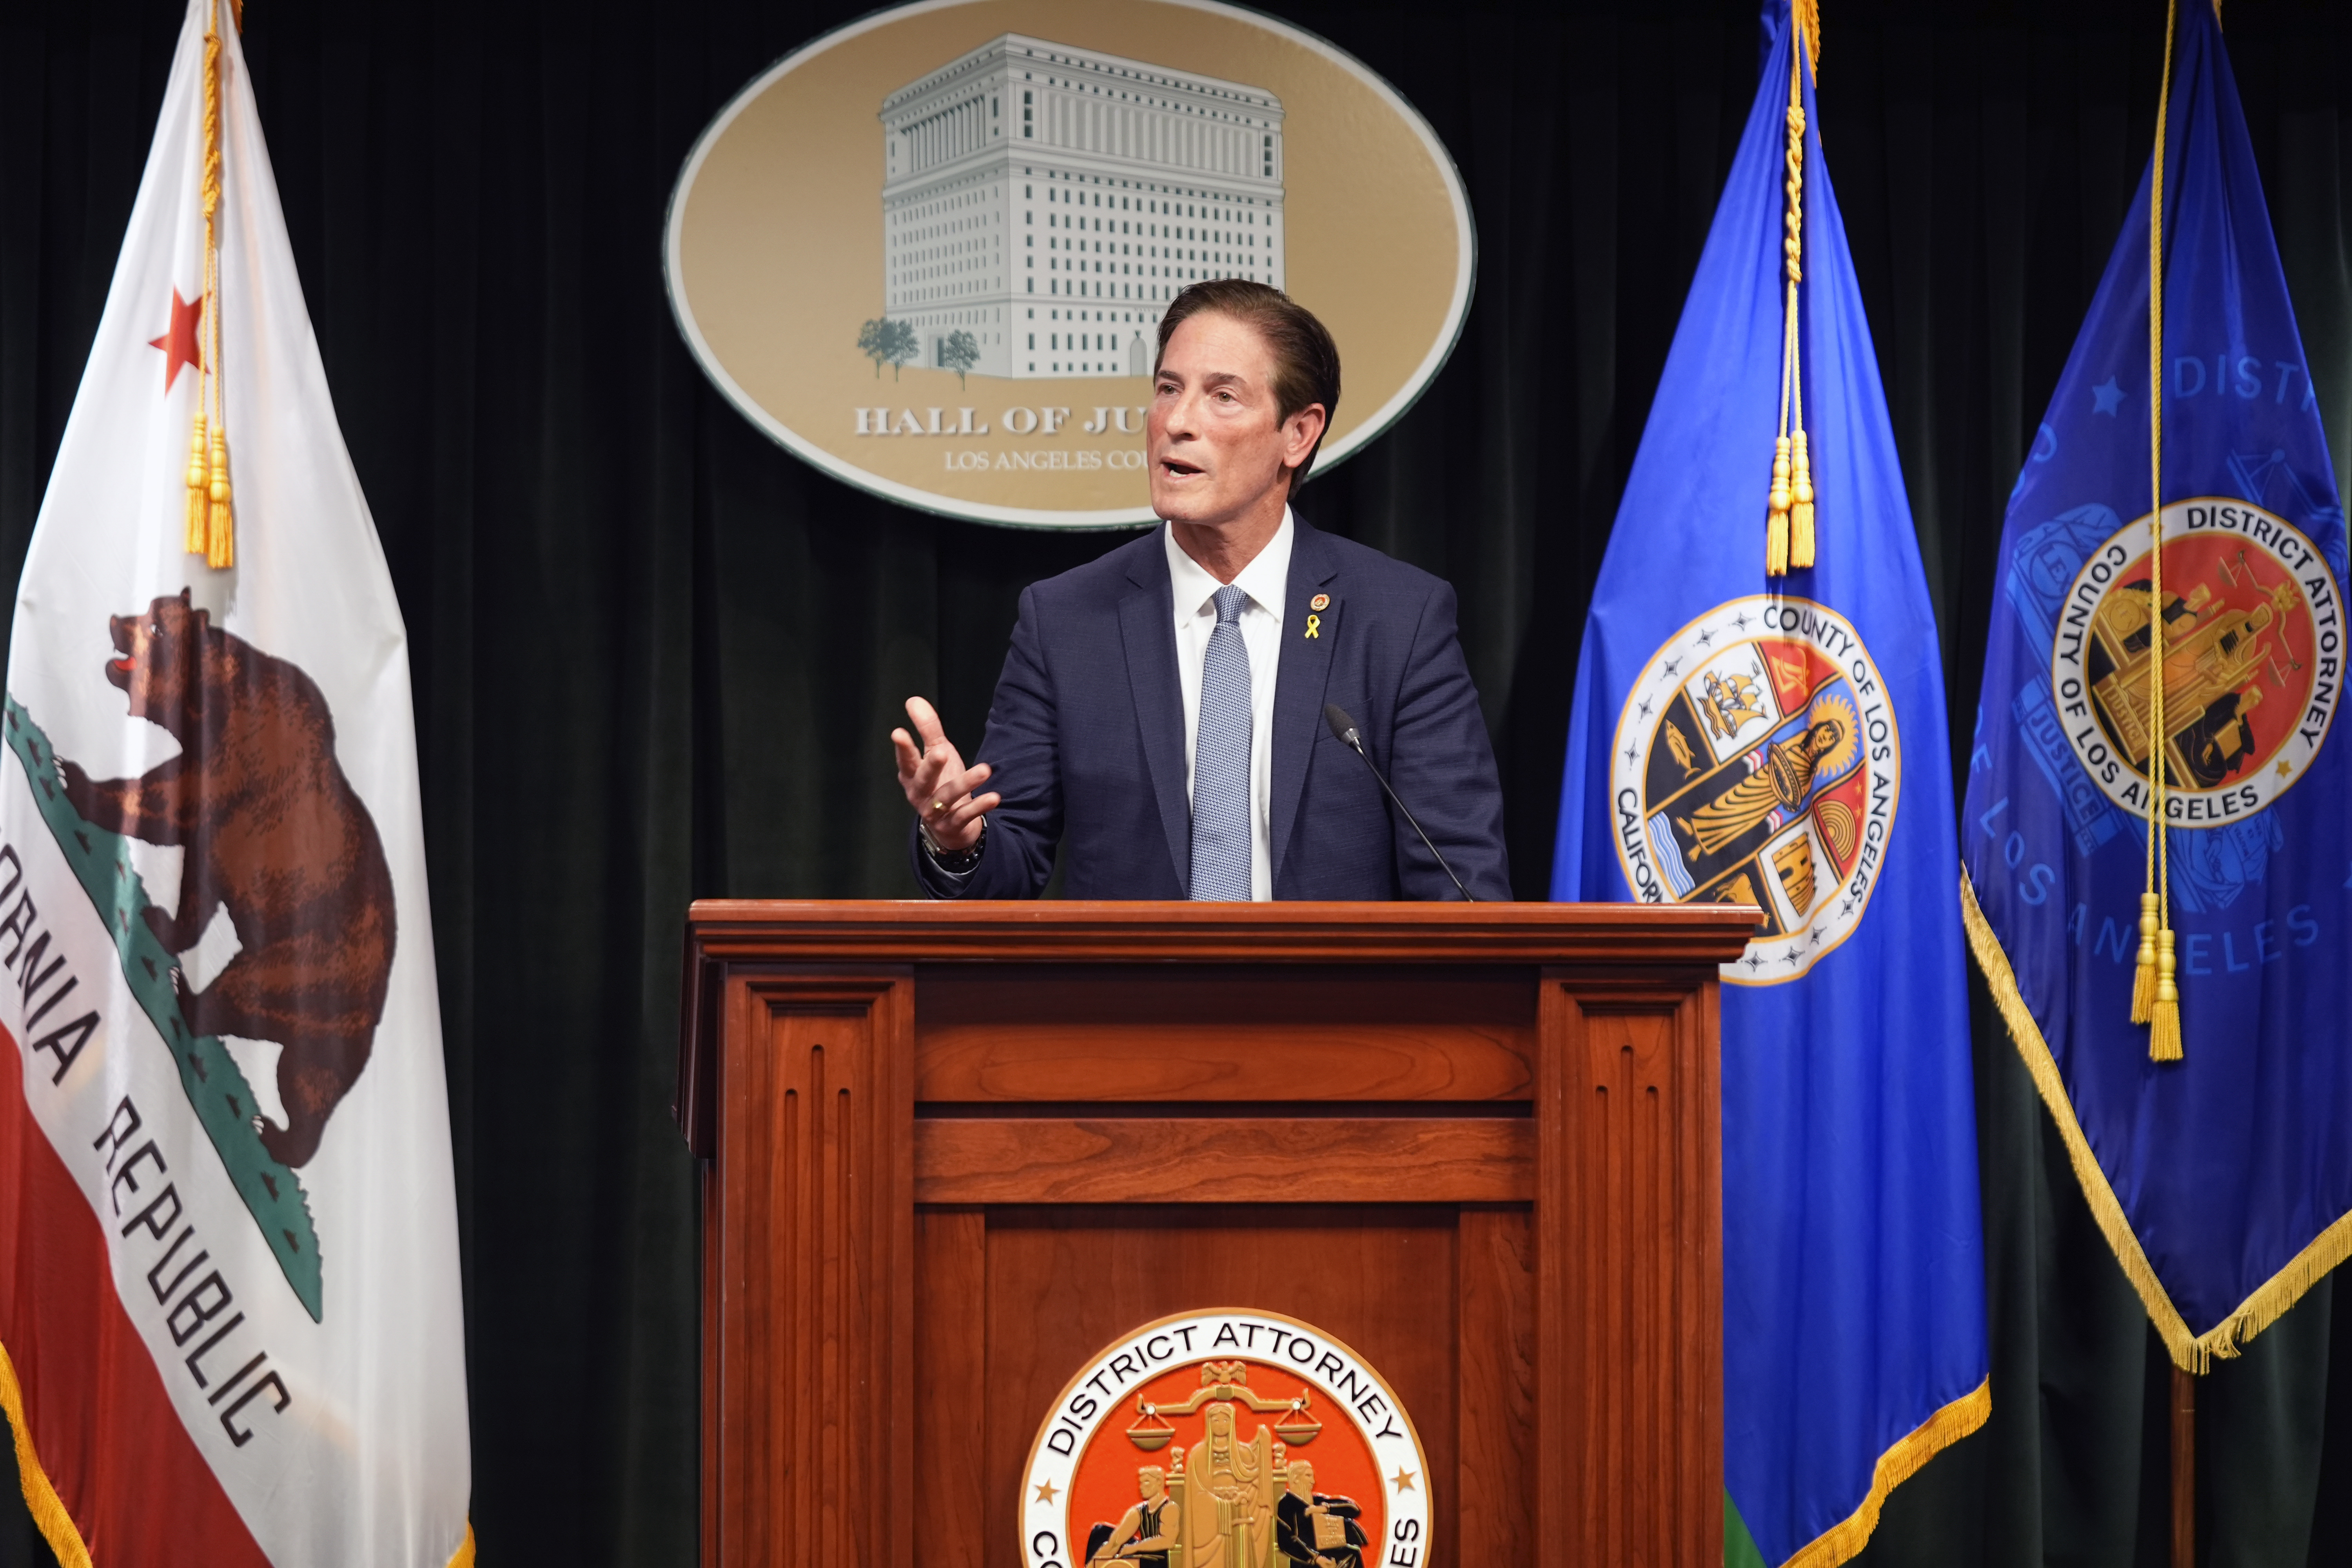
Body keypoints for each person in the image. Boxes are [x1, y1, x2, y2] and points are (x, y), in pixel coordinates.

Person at [890, 277, 1509, 900]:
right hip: (1137, 996)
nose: (1177, 422)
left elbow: (1461, 883)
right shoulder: (1066, 621)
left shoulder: (1398, 620)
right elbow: (1010, 866)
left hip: (1335, 997)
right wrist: (958, 841)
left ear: (1298, 434)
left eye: (1223, 396)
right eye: (1168, 389)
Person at [1273, 1460, 1365, 1568]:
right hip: (1305, 1559)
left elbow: (1354, 1509)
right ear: (1295, 1479)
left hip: (1327, 1552)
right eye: (1308, 1476)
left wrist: (1323, 1509)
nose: (1313, 1481)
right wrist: (1316, 1558)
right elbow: (1287, 1541)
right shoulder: (1286, 1504)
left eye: (1313, 1476)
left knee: (1353, 1552)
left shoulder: (1317, 1501)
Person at [1087, 1466, 1180, 1568]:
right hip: (1140, 1557)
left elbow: (1168, 1541)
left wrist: (1135, 1548)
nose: (1141, 1487)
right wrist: (1092, 1565)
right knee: (1101, 1532)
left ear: (1159, 1482)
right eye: (1141, 1483)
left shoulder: (1170, 1508)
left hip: (1158, 1562)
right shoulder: (1138, 1511)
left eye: (1146, 1482)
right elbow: (1114, 1543)